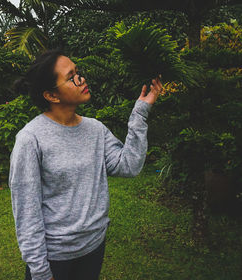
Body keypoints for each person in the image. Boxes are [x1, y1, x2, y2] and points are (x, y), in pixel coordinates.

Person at [9, 50, 162, 280]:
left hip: (93, 248)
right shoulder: (31, 139)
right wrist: (40, 272)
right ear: (51, 95)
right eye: (72, 77)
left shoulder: (95, 130)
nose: (81, 79)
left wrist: (141, 110)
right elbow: (27, 212)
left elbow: (129, 165)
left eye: (78, 72)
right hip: (55, 258)